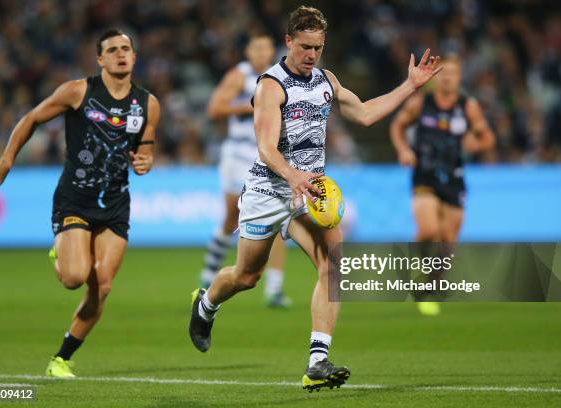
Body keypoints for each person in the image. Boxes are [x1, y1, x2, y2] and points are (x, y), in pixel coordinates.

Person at [189, 6, 442, 391]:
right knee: (246, 276)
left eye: (318, 48)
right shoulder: (271, 85)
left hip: (308, 192)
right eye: (305, 46)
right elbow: (265, 147)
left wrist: (410, 86)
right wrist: (293, 176)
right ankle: (206, 304)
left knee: (334, 264)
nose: (311, 55)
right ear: (288, 41)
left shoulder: (326, 80)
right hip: (268, 190)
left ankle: (317, 361)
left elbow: (366, 114)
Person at [0, 29, 160, 378]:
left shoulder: (148, 104)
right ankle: (61, 253)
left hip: (116, 203)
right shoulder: (78, 91)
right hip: (75, 199)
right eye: (112, 50)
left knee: (102, 286)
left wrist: (146, 161)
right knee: (75, 278)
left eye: (126, 49)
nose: (121, 54)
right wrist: (6, 160)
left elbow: (146, 149)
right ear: (100, 59)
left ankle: (61, 358)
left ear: (134, 57)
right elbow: (31, 118)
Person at [390, 55, 494, 315]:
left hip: (454, 179)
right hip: (424, 175)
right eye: (444, 74)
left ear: (459, 78)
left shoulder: (467, 107)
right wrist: (403, 150)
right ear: (436, 78)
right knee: (428, 230)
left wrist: (477, 144)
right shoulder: (420, 104)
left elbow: (487, 138)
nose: (448, 79)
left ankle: (427, 288)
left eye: (453, 74)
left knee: (448, 241)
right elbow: (397, 126)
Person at [200, 33, 291, 308]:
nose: (262, 53)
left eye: (266, 48)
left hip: (267, 154)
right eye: (256, 48)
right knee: (232, 218)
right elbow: (214, 109)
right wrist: (250, 104)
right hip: (238, 154)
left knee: (278, 217)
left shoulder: (281, 78)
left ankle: (274, 289)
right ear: (248, 52)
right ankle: (209, 272)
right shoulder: (239, 76)